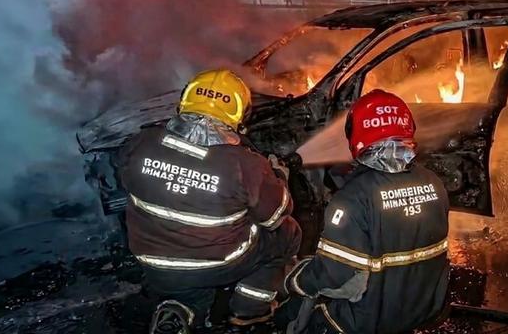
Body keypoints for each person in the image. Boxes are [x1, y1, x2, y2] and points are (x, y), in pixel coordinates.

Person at [118, 68, 300, 334]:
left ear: (184, 102)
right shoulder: (245, 165)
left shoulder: (140, 144)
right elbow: (275, 216)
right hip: (218, 265)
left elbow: (126, 178)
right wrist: (279, 177)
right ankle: (249, 309)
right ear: (240, 115)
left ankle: (177, 310)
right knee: (287, 233)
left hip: (152, 263)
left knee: (185, 286)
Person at [283, 89, 450, 334]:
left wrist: (294, 279)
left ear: (356, 134)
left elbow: (335, 274)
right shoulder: (434, 183)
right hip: (425, 309)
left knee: (294, 315)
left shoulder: (353, 198)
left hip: (369, 320)